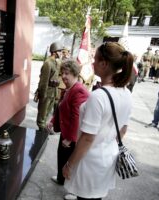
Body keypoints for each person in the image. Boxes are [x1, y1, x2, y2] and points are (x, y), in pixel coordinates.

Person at [63, 42, 133, 200]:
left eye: (95, 59)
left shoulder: (99, 96)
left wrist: (70, 164)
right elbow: (122, 130)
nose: (92, 63)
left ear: (104, 63)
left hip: (90, 162)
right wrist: (107, 142)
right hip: (108, 157)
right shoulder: (126, 93)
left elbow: (88, 138)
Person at [47, 59, 89, 200]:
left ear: (75, 73)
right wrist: (53, 121)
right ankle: (61, 178)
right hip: (65, 130)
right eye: (62, 73)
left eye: (67, 73)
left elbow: (76, 117)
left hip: (73, 134)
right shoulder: (68, 88)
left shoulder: (79, 90)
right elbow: (61, 108)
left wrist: (70, 138)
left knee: (72, 162)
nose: (63, 76)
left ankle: (74, 191)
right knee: (61, 156)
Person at [36, 42, 63, 131]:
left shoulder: (56, 62)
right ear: (54, 52)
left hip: (53, 92)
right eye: (60, 51)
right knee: (42, 113)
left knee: (47, 112)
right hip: (47, 92)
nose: (61, 53)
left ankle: (44, 127)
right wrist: (42, 95)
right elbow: (44, 81)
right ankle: (41, 128)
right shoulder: (48, 63)